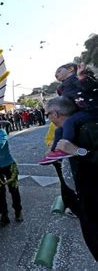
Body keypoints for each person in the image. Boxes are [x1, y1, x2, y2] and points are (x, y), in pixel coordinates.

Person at [44, 96, 98, 260]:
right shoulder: (62, 133)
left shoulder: (90, 128)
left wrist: (78, 151)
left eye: (47, 114)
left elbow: (85, 154)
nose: (47, 118)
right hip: (83, 203)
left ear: (55, 114)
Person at [40, 63, 98, 163]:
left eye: (59, 71)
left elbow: (89, 86)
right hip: (79, 113)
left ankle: (64, 148)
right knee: (59, 130)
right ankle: (53, 153)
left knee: (69, 122)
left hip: (91, 110)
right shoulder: (62, 87)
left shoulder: (78, 78)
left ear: (71, 69)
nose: (56, 74)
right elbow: (66, 102)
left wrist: (81, 76)